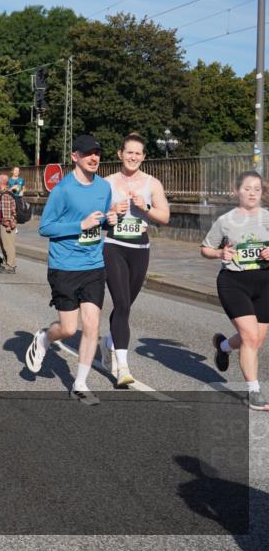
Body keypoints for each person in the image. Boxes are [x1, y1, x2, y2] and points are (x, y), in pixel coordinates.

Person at [27, 134, 112, 405]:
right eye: (88, 153)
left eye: (97, 152)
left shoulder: (103, 188)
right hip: (64, 266)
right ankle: (44, 337)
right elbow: (45, 227)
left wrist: (110, 220)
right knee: (68, 329)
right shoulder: (63, 190)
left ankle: (80, 383)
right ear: (74, 156)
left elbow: (101, 223)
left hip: (94, 265)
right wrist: (81, 225)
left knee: (92, 325)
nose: (94, 157)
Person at [99, 133, 170, 386]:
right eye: (129, 152)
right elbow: (93, 215)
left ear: (143, 157)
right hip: (114, 246)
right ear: (120, 154)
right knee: (122, 303)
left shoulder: (152, 184)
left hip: (140, 249)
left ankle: (108, 341)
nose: (133, 157)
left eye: (138, 153)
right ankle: (123, 367)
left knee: (125, 306)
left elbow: (165, 216)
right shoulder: (106, 183)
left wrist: (146, 208)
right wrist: (110, 213)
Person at [202, 171, 269, 411]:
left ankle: (223, 347)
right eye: (247, 188)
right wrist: (220, 253)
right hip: (234, 283)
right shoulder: (225, 221)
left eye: (257, 189)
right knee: (250, 337)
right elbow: (205, 249)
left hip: (265, 283)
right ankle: (254, 391)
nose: (252, 193)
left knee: (256, 340)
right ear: (236, 191)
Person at [0, 173, 18, 274]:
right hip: (3, 223)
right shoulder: (5, 193)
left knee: (8, 245)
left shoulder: (5, 195)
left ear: (1, 182)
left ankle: (10, 266)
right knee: (4, 244)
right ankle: (5, 263)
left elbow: (7, 213)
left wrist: (7, 226)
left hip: (6, 224)